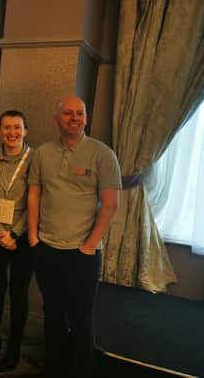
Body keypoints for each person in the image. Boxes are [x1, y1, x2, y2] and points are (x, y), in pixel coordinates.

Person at [28, 96, 120, 378]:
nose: (74, 118)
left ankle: (80, 372)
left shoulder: (102, 154)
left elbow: (110, 204)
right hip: (46, 249)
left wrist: (90, 246)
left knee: (81, 318)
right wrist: (33, 239)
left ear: (86, 119)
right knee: (53, 314)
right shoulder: (42, 153)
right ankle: (53, 369)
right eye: (68, 113)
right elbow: (34, 194)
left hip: (83, 253)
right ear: (56, 119)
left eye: (79, 113)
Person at [0, 110, 33, 371]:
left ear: (25, 131)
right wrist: (0, 231)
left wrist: (14, 233)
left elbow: (37, 202)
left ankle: (13, 348)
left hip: (23, 236)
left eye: (17, 128)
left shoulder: (35, 160)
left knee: (18, 293)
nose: (12, 133)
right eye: (7, 128)